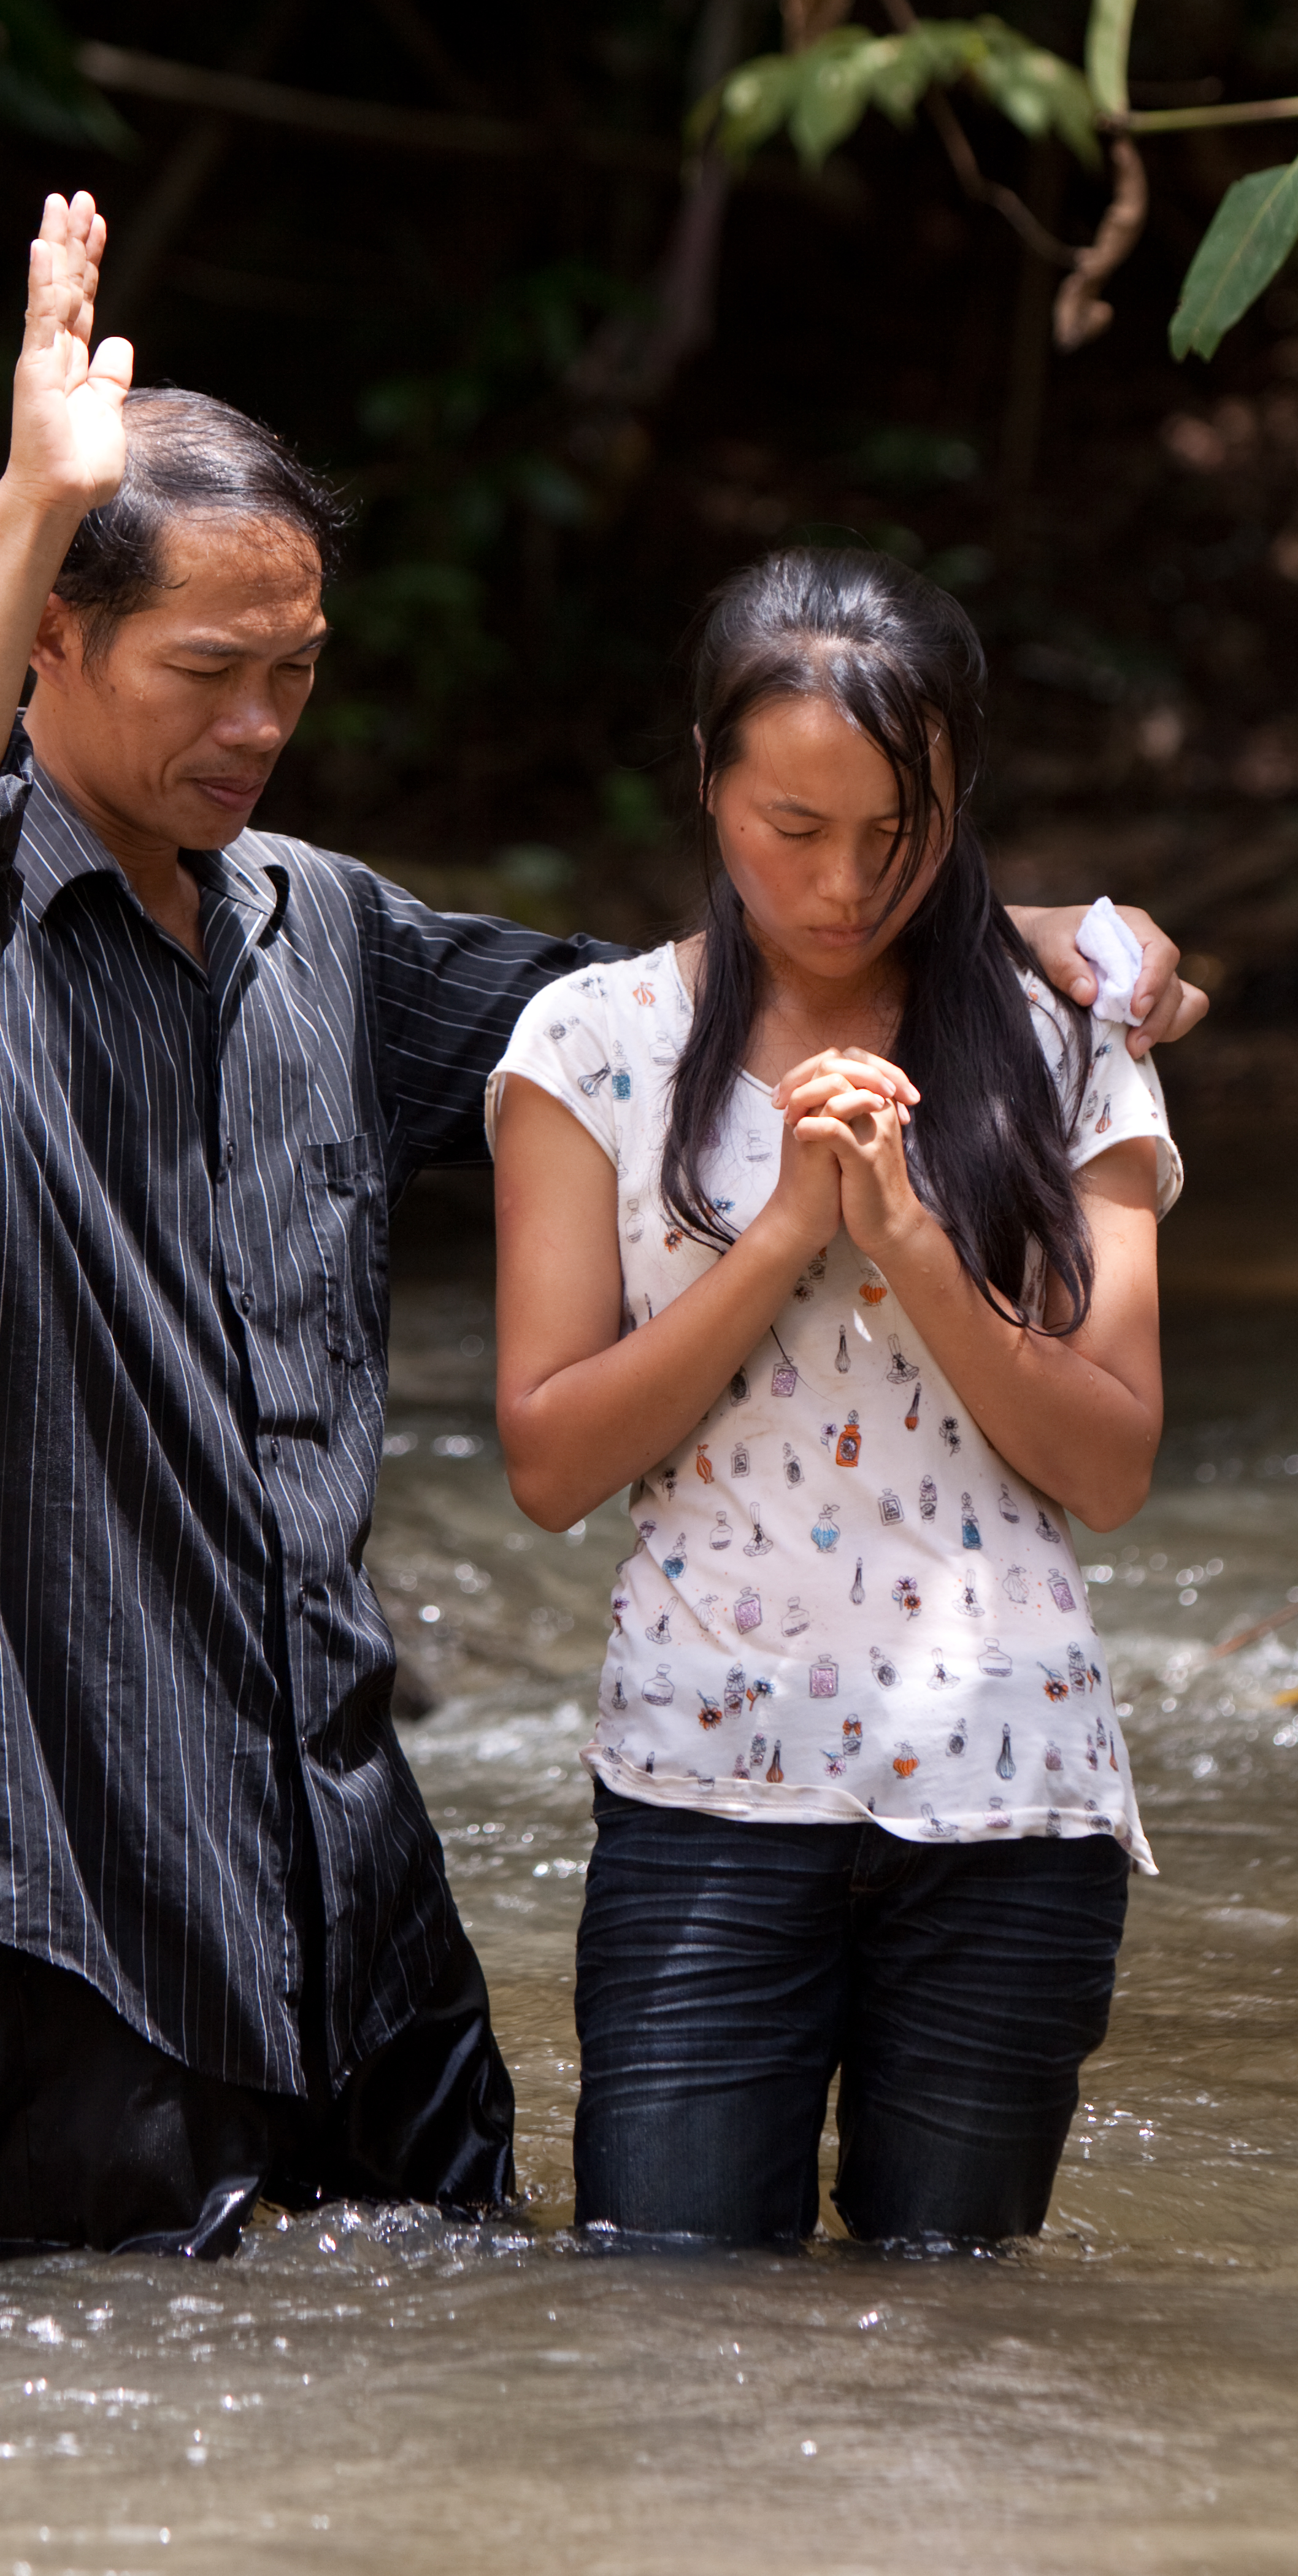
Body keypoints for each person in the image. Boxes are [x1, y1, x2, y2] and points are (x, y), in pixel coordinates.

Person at [0, 190, 1204, 2261]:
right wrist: (17, 520)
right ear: (55, 640)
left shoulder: (324, 933)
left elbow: (675, 1012)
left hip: (357, 1865)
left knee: (479, 2338)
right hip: (88, 1878)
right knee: (128, 2381)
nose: (260, 726)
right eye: (207, 672)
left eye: (295, 673)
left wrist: (1010, 927)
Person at [488, 546, 1180, 2249]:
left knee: (950, 2339)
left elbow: (1110, 1465)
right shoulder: (592, 1044)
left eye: (900, 830)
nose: (847, 885)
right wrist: (790, 1229)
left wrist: (912, 1245)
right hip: (705, 1788)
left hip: (1012, 1794)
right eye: (793, 828)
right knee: (670, 2315)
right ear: (707, 781)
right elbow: (551, 1463)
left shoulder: (1068, 1041)